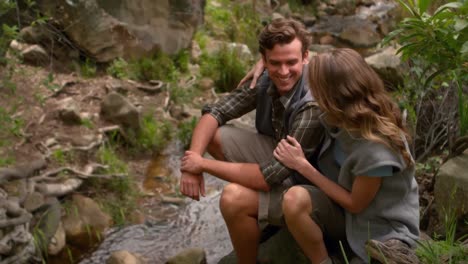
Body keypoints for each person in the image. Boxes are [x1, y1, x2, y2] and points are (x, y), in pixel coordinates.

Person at [179, 18, 324, 262]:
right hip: (281, 157)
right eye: (275, 63)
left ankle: (258, 216)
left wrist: (200, 165)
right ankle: (259, 213)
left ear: (306, 57)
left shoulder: (312, 104)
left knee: (232, 198)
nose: (283, 71)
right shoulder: (266, 77)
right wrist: (193, 159)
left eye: (291, 62)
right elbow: (215, 112)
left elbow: (269, 176)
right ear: (264, 61)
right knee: (212, 136)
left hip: (310, 179)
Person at [272, 48, 420, 263]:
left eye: (314, 86)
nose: (309, 89)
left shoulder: (376, 148)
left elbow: (355, 204)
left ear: (333, 94)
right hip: (348, 215)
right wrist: (264, 66)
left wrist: (302, 166)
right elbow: (295, 68)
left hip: (379, 227)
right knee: (295, 200)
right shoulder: (341, 116)